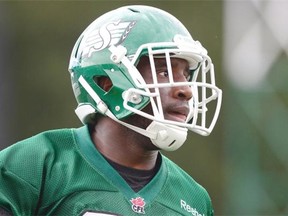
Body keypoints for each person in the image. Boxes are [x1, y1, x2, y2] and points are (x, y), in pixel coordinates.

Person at [0, 5, 222, 216]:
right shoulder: (34, 165)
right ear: (107, 83)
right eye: (164, 72)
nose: (186, 90)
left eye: (185, 75)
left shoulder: (194, 199)